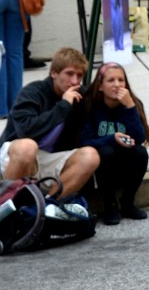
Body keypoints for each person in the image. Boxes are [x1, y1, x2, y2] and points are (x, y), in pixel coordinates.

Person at [0, 47, 99, 198]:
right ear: (54, 73)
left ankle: (47, 208)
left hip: (48, 159)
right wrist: (63, 106)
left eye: (79, 76)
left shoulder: (80, 97)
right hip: (16, 157)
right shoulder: (34, 92)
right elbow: (26, 131)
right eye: (69, 73)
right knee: (28, 146)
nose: (74, 81)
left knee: (90, 156)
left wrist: (128, 106)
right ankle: (5, 207)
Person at [79, 63, 149, 225]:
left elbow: (140, 138)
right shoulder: (90, 106)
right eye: (111, 80)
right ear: (101, 86)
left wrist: (130, 107)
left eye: (121, 80)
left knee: (140, 152)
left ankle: (127, 203)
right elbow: (84, 142)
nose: (117, 84)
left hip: (125, 162)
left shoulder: (132, 104)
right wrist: (112, 138)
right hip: (102, 165)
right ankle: (110, 205)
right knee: (106, 152)